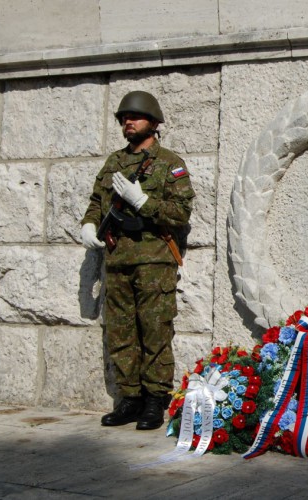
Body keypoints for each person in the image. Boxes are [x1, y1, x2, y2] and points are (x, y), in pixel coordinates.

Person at [80, 91, 194, 430]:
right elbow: (97, 202)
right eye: (123, 118)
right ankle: (129, 398)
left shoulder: (169, 163)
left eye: (136, 117)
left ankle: (155, 400)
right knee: (121, 333)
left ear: (154, 123)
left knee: (155, 333)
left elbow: (180, 213)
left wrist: (142, 201)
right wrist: (89, 223)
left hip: (153, 263)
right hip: (117, 261)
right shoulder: (113, 162)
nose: (128, 122)